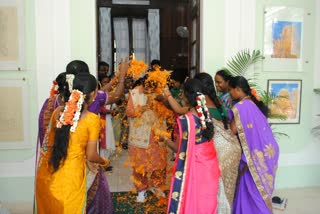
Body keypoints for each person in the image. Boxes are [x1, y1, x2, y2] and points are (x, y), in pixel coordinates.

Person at [35, 73, 112, 213]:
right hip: (70, 181)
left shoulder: (58, 112)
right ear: (93, 94)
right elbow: (91, 155)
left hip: (46, 175)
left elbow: (50, 143)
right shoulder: (92, 119)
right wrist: (104, 161)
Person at [164, 78, 220, 213]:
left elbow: (179, 149)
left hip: (195, 167)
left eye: (183, 93)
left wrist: (165, 140)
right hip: (210, 167)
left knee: (192, 202)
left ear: (188, 96)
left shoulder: (186, 121)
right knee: (205, 203)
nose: (181, 96)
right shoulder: (205, 114)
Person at [228, 76, 279, 214]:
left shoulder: (240, 107)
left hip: (254, 157)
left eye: (230, 90)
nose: (230, 94)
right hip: (269, 151)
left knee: (252, 192)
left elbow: (232, 131)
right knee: (260, 192)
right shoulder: (254, 103)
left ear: (238, 89)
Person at [194, 72, 241, 213]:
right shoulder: (219, 101)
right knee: (227, 189)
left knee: (215, 189)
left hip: (220, 150)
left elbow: (184, 115)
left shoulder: (200, 104)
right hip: (233, 147)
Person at [126, 76, 167, 203]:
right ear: (144, 84)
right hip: (139, 137)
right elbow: (130, 112)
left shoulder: (159, 93)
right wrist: (144, 107)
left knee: (159, 164)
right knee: (140, 166)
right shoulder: (134, 93)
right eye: (149, 87)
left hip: (156, 135)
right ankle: (141, 190)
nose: (151, 90)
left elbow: (166, 112)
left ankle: (157, 187)